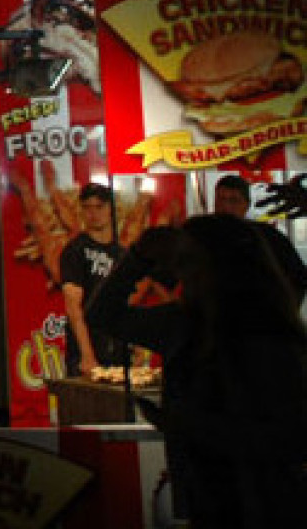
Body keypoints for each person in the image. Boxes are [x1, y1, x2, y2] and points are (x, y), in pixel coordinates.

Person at [88, 217, 307, 526]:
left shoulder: (265, 337)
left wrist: (192, 426)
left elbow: (291, 436)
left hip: (265, 505)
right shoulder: (183, 322)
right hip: (204, 499)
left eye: (190, 262)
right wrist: (137, 257)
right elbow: (102, 316)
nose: (182, 275)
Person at [59, 182, 126, 376]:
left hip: (116, 347)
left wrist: (136, 345)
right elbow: (73, 307)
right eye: (87, 207)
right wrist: (87, 355)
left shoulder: (121, 254)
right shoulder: (75, 251)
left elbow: (126, 303)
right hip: (86, 348)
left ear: (111, 209)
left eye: (99, 207)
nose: (93, 213)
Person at [213, 174, 307, 304]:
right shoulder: (203, 236)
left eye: (233, 200)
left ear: (246, 205)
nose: (226, 207)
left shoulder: (270, 237)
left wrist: (284, 315)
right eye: (220, 200)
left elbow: (298, 278)